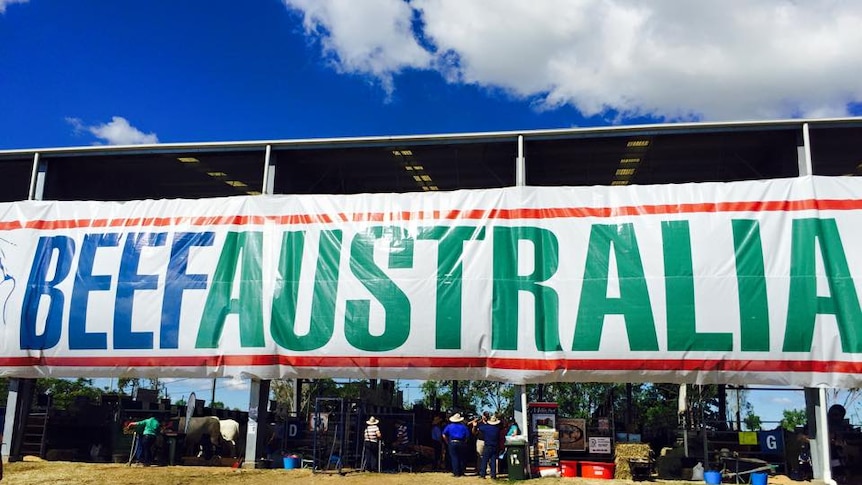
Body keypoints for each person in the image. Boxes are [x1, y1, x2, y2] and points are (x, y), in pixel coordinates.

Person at [443, 413, 470, 477]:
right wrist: (465, 442)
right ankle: (461, 471)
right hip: (461, 442)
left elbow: (444, 434)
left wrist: (447, 442)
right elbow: (467, 436)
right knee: (461, 458)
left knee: (454, 458)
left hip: (452, 442)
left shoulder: (449, 426)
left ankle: (456, 472)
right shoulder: (464, 427)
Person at [477, 415, 502, 479]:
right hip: (495, 446)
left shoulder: (485, 427)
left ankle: (483, 474)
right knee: (493, 460)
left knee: (484, 460)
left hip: (488, 445)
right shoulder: (497, 429)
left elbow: (480, 427)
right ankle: (493, 475)